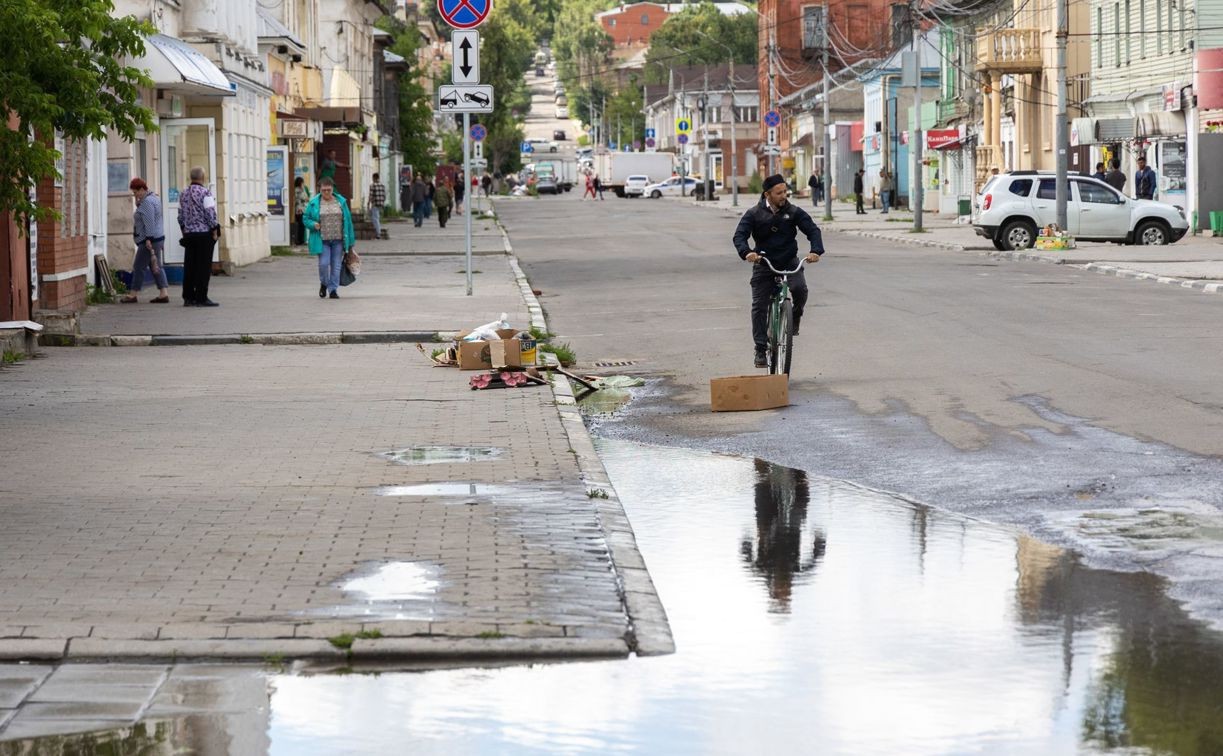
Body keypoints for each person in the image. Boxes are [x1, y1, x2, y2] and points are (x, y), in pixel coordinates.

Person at [733, 174, 824, 368]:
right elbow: (739, 236)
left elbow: (813, 230)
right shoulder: (754, 214)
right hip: (764, 263)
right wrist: (747, 252)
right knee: (759, 306)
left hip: (789, 261)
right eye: (779, 193)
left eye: (785, 191)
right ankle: (760, 349)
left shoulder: (793, 212)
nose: (784, 195)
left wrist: (816, 250)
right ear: (767, 194)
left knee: (800, 289)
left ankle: (795, 317)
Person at [302, 177, 355, 300]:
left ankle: (333, 290)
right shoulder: (314, 203)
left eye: (328, 190)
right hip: (322, 240)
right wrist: (313, 224)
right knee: (323, 264)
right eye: (323, 190)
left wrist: (351, 243)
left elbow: (348, 222)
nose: (326, 192)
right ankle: (324, 283)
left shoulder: (340, 201)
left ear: (332, 189)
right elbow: (306, 218)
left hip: (338, 240)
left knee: (336, 266)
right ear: (319, 189)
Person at [177, 166, 220, 307]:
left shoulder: (183, 193)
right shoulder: (206, 193)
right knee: (203, 267)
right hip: (204, 235)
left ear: (191, 177)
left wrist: (184, 230)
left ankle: (188, 297)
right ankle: (201, 297)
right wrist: (214, 230)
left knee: (190, 266)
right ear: (203, 177)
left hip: (189, 235)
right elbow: (210, 214)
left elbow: (180, 215)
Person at [122, 178, 170, 304]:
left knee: (138, 266)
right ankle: (163, 293)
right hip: (157, 238)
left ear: (142, 189)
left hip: (149, 240)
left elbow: (149, 222)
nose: (135, 195)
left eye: (135, 192)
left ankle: (133, 294)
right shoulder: (153, 198)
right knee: (156, 266)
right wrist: (138, 203)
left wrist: (149, 239)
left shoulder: (147, 202)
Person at [368, 172, 386, 238]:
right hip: (381, 203)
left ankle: (378, 233)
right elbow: (384, 196)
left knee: (375, 218)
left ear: (374, 178)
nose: (372, 179)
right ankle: (377, 231)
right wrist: (382, 202)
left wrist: (368, 203)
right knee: (377, 217)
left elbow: (371, 195)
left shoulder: (372, 185)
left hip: (375, 203)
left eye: (372, 178)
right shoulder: (382, 185)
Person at [293, 176, 310, 246]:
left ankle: (300, 240)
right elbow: (304, 198)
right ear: (300, 183)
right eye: (302, 182)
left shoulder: (299, 189)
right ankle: (300, 241)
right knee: (301, 225)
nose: (303, 183)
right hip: (300, 209)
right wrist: (303, 190)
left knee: (301, 225)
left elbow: (307, 198)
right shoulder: (298, 190)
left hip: (301, 209)